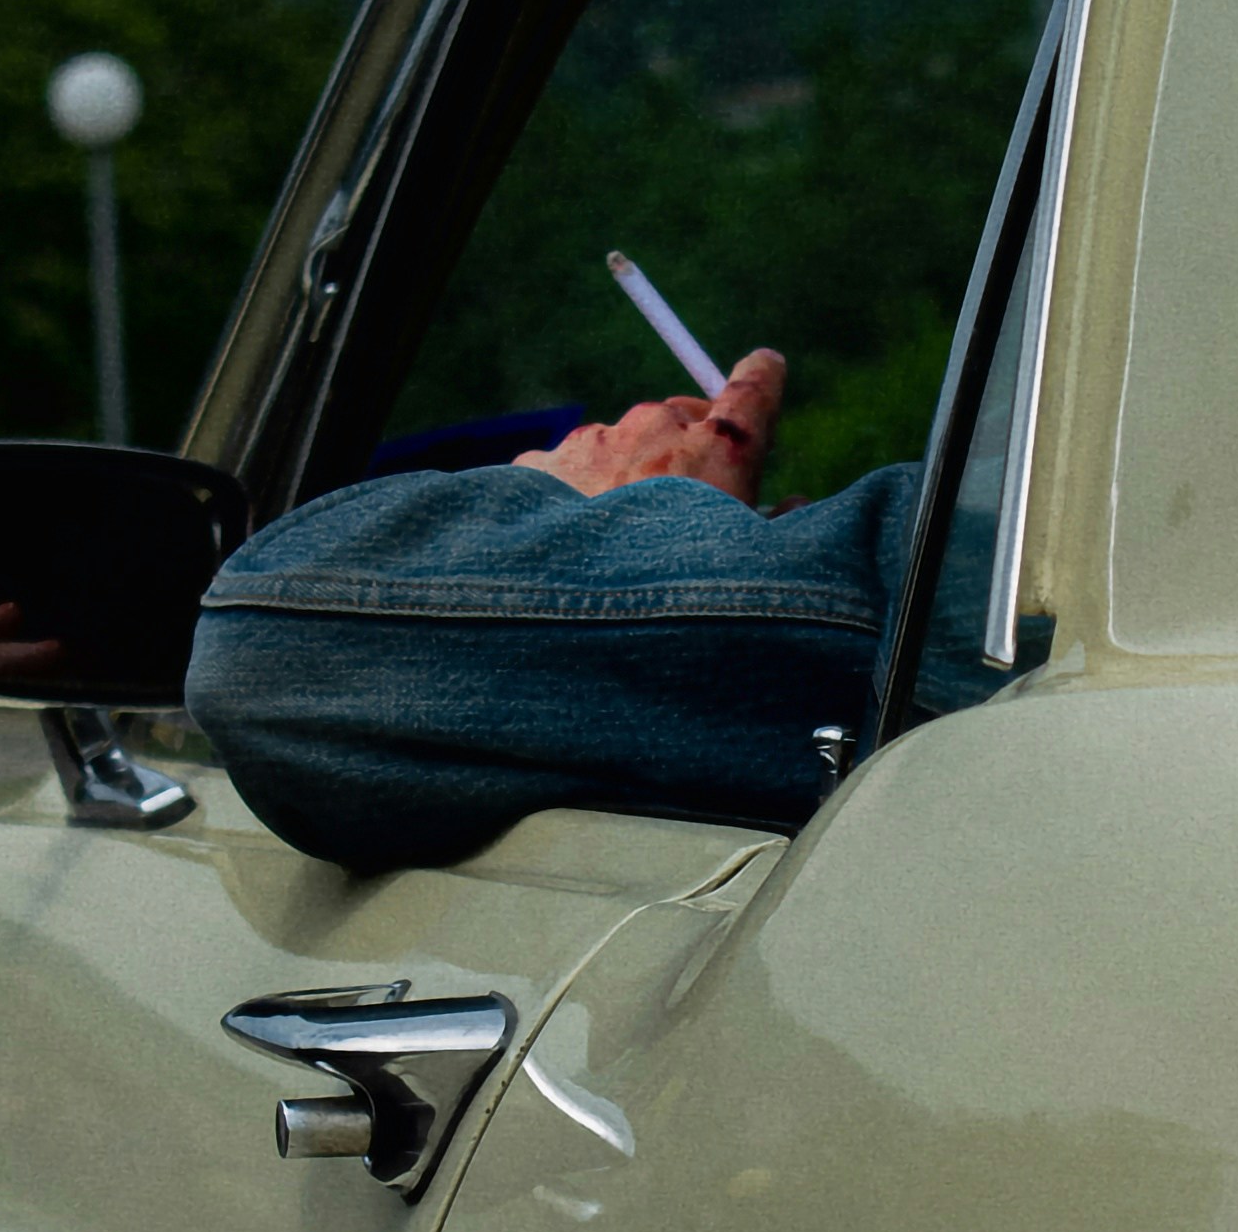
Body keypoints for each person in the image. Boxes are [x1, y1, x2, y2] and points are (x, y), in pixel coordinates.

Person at [185, 348, 919, 871]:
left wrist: (590, 507)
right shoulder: (962, 579)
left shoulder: (941, 590)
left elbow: (261, 647)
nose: (647, 413)